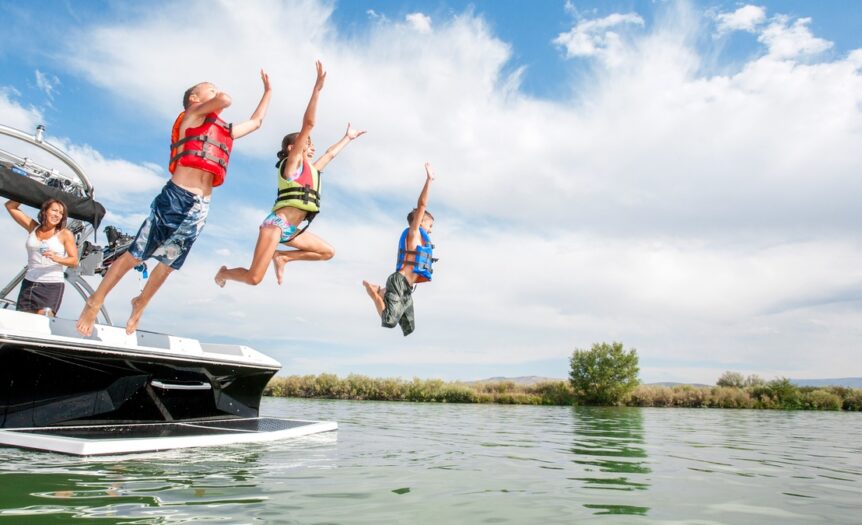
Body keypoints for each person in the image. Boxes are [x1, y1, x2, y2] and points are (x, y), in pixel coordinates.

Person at [76, 70, 272, 336]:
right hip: (176, 199)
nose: (216, 92)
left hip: (200, 207)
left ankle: (140, 302)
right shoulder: (191, 117)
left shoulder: (223, 130)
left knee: (169, 264)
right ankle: (95, 300)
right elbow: (225, 100)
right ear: (195, 99)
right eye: (211, 89)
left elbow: (256, 122)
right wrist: (218, 96)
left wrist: (268, 92)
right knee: (136, 254)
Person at [215, 61, 365, 288]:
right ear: (292, 148)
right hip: (276, 225)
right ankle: (224, 273)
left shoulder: (312, 170)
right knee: (254, 278)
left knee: (327, 252)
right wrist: (317, 90)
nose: (312, 147)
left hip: (292, 231)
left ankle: (283, 257)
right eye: (307, 143)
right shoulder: (292, 164)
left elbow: (330, 154)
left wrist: (348, 138)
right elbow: (309, 124)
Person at [363, 163, 436, 336]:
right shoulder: (414, 233)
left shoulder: (421, 240)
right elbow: (422, 205)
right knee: (389, 321)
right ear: (420, 222)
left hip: (406, 288)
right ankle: (375, 294)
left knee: (409, 328)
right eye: (430, 225)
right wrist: (429, 180)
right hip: (399, 281)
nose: (431, 230)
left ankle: (382, 291)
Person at [5, 198, 78, 315]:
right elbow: (10, 206)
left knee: (42, 321)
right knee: (22, 320)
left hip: (51, 285)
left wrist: (57, 258)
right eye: (54, 210)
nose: (57, 215)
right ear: (45, 211)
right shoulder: (33, 227)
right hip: (29, 283)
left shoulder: (65, 234)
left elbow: (74, 261)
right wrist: (29, 190)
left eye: (61, 213)